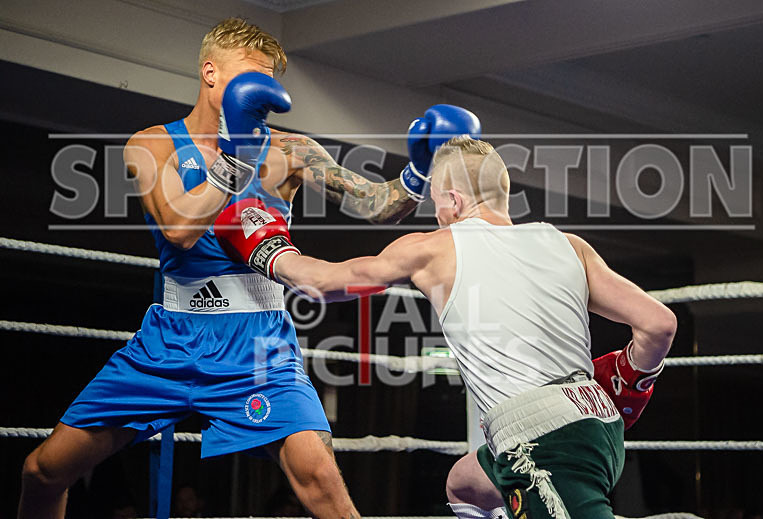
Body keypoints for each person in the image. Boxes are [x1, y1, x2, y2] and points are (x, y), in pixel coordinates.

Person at [18, 17, 480, 519]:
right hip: (169, 339)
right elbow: (179, 230)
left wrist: (417, 171)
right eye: (248, 77)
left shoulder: (290, 150)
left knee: (321, 482)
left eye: (266, 82)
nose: (259, 94)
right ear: (210, 73)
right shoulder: (152, 145)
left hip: (257, 342)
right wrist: (233, 156)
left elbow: (375, 205)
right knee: (42, 471)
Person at [214, 136, 677, 518]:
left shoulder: (433, 247)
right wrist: (631, 381)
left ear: (453, 200)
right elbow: (659, 324)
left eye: (437, 203)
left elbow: (325, 284)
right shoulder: (569, 245)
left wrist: (264, 246)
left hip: (541, 442)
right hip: (599, 422)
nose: (437, 215)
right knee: (464, 484)